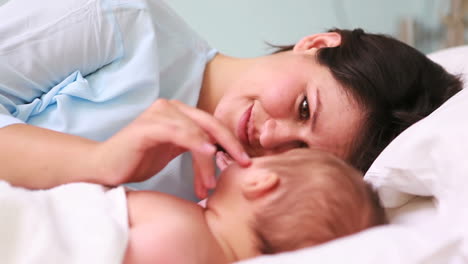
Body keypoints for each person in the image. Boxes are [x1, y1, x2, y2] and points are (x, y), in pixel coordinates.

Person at [0, 0, 462, 200]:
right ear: (318, 43)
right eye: (304, 108)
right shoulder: (118, 22)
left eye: (300, 153)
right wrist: (100, 161)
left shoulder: (236, 199)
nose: (272, 139)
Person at [0, 148, 387, 263]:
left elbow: (85, 239)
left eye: (261, 159)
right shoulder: (200, 233)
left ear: (261, 182)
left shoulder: (184, 228)